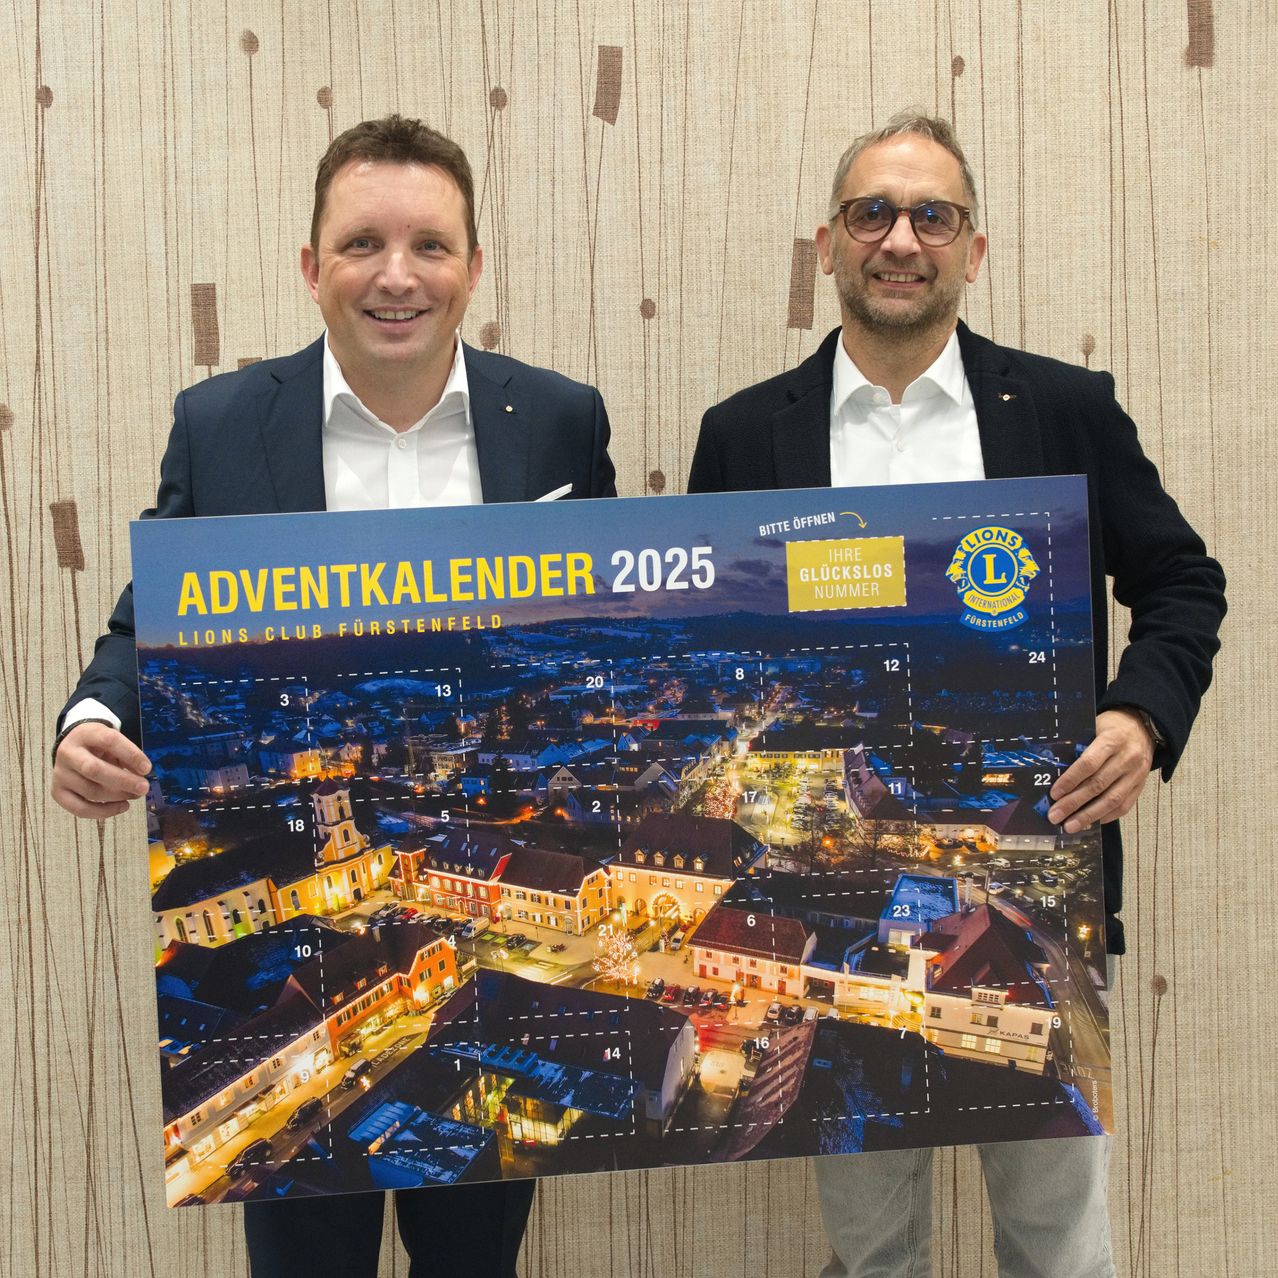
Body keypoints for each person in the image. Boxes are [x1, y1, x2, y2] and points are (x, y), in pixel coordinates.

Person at [51, 113, 616, 1278]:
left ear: (473, 266)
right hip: (306, 910)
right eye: (362, 243)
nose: (396, 276)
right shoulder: (222, 425)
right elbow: (145, 622)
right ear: (313, 267)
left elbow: (595, 626)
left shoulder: (560, 420)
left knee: (477, 1261)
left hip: (471, 914)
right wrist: (95, 720)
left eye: (430, 245)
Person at [688, 110, 1225, 1277]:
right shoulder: (743, 437)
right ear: (828, 243)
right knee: (873, 1253)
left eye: (933, 215)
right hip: (838, 917)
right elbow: (718, 658)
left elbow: (1185, 582)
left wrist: (1142, 713)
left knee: (1058, 1251)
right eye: (872, 213)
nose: (901, 239)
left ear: (972, 250)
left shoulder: (1063, 409)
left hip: (1036, 915)